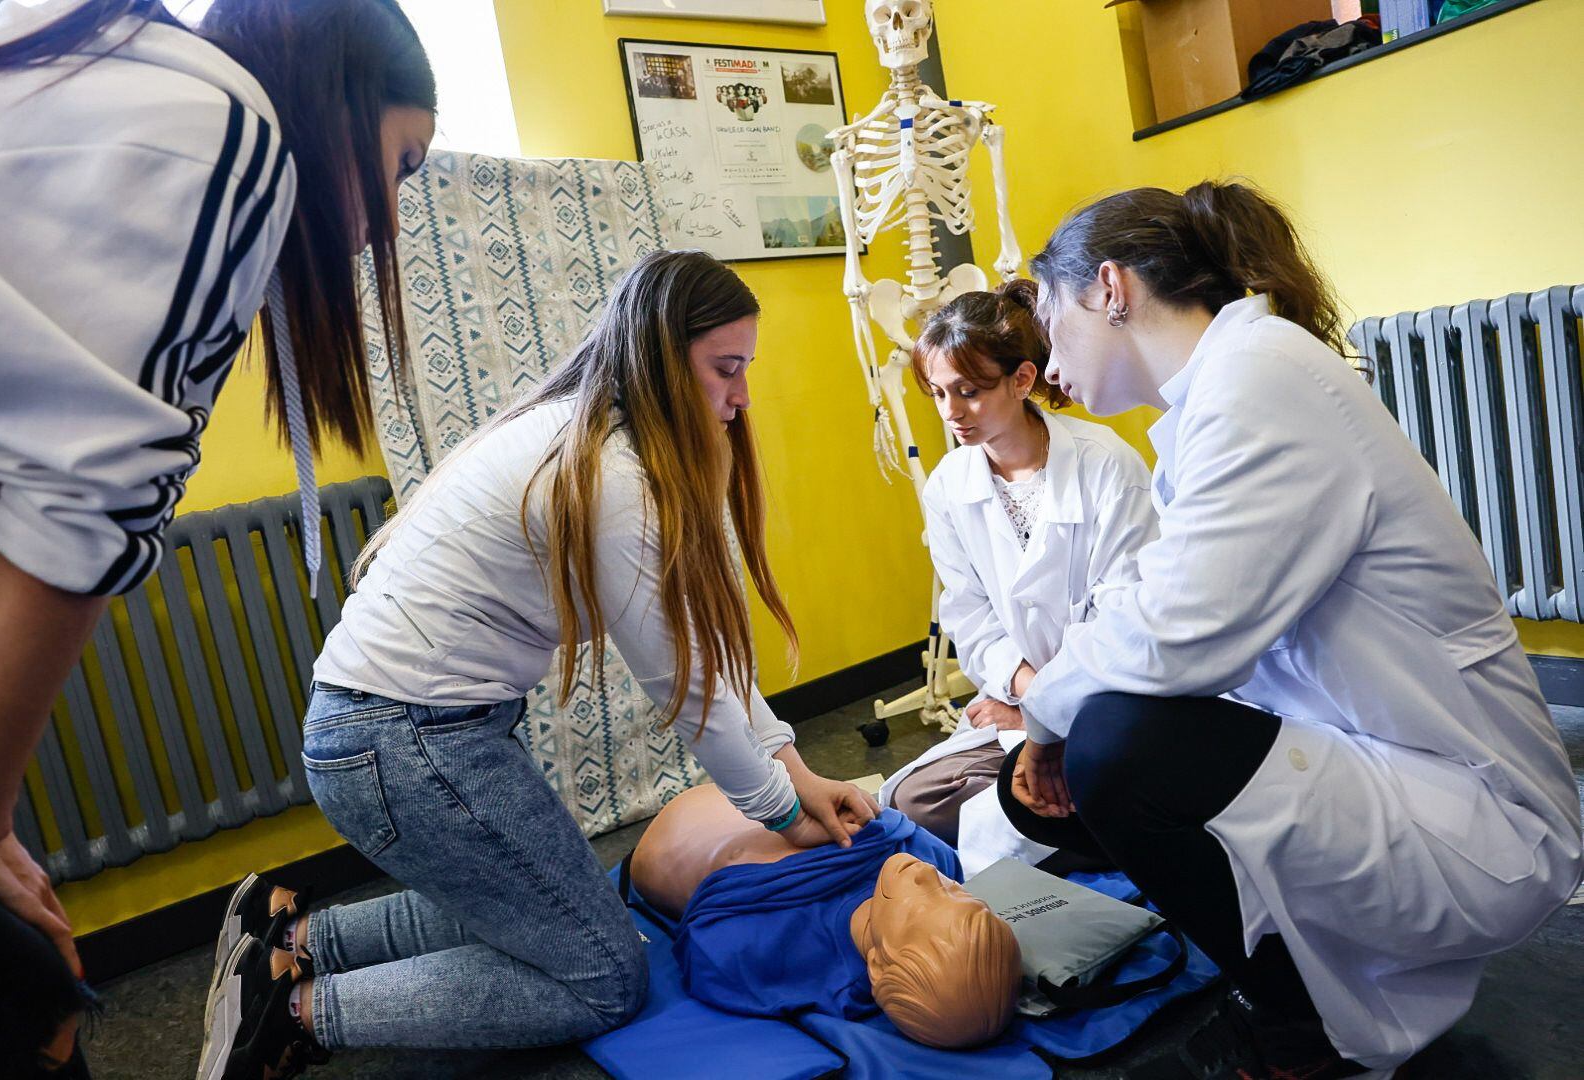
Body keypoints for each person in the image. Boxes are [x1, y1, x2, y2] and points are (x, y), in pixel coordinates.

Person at [197, 250, 880, 1077]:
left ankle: (286, 936)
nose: (741, 397)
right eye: (725, 369)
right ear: (664, 363)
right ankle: (289, 1013)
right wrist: (778, 811)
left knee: (549, 905)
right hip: (401, 740)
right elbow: (688, 689)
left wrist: (796, 774)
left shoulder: (584, 430)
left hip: (391, 728)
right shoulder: (613, 474)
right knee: (605, 977)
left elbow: (707, 659)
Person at [999, 180, 1584, 1080]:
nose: (1050, 363)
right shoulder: (1220, 393)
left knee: (1113, 747)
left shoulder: (1258, 378)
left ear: (1110, 289)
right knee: (1050, 773)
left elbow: (1180, 632)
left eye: (1050, 322)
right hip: (1379, 754)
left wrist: (1045, 713)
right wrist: (1045, 726)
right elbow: (1155, 602)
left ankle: (1299, 1030)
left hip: (1484, 819)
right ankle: (1289, 969)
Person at [0, 0, 435, 1073]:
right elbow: (85, 498)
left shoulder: (107, 70)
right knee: (29, 1000)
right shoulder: (230, 131)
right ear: (340, 100)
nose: (387, 225)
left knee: (30, 989)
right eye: (402, 167)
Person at [881, 281, 1157, 874]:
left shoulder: (1106, 464)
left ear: (1023, 380)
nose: (951, 412)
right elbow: (970, 614)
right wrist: (1030, 700)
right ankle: (1078, 816)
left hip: (1113, 700)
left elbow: (1123, 615)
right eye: (938, 393)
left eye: (970, 392)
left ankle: (1080, 811)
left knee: (1113, 769)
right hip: (1025, 698)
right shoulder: (949, 486)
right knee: (913, 801)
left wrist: (1047, 715)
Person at [630, 783, 1020, 1049]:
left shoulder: (776, 949)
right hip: (762, 788)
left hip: (675, 845)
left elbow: (707, 950)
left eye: (921, 911)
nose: (928, 877)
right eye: (958, 895)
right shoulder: (934, 860)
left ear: (877, 965)